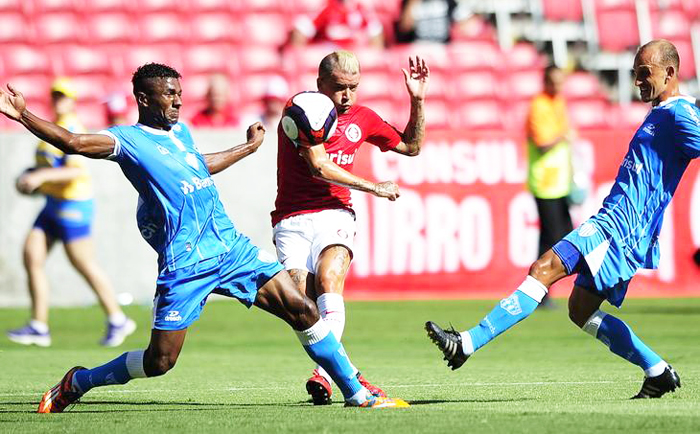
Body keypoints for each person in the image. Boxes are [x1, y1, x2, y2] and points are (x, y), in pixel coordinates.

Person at [0, 63, 408, 412]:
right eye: (169, 95)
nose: (178, 101)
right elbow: (72, 142)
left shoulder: (181, 133)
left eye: (179, 93)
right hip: (186, 263)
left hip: (231, 248)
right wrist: (25, 116)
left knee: (302, 309)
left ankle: (356, 392)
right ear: (144, 99)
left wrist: (246, 149)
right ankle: (80, 381)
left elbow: (197, 167)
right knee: (160, 361)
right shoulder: (127, 141)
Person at [425, 40, 694, 399]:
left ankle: (467, 343)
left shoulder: (680, 114)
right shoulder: (661, 112)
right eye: (635, 75)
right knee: (579, 310)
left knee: (543, 268)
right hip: (618, 223)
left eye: (645, 74)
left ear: (670, 73)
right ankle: (657, 371)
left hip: (619, 226)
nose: (638, 83)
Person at [272, 51, 429, 404]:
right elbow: (319, 167)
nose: (347, 96)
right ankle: (352, 374)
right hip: (292, 217)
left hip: (335, 212)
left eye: (353, 88)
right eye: (339, 88)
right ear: (319, 84)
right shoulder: (301, 111)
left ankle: (326, 375)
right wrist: (375, 187)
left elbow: (412, 146)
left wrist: (416, 101)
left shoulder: (363, 117)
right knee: (301, 305)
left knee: (330, 279)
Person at [6, 78, 136, 348]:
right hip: (53, 203)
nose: (58, 100)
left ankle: (118, 319)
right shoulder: (51, 125)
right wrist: (32, 176)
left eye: (63, 96)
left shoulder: (73, 127)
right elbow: (48, 164)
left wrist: (41, 176)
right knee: (32, 256)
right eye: (55, 95)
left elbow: (76, 170)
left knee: (83, 264)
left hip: (73, 204)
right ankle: (39, 326)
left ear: (73, 100)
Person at [526, 65, 574, 307]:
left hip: (559, 183)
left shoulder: (557, 102)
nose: (558, 87)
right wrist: (561, 136)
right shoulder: (539, 105)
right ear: (545, 81)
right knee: (552, 237)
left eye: (560, 82)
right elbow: (542, 142)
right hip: (545, 182)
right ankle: (537, 287)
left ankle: (539, 287)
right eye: (554, 82)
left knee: (558, 234)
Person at [289, 0, 384, 49]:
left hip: (353, 57)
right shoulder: (327, 7)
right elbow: (301, 29)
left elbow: (376, 32)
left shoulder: (362, 10)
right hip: (330, 55)